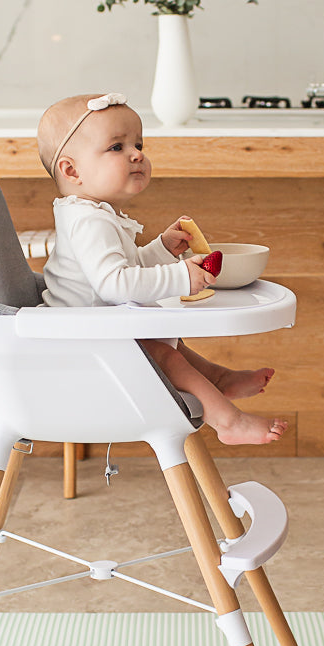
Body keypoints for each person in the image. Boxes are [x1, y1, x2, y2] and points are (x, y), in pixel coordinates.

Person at [36, 91, 288, 445]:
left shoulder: (94, 214)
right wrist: (181, 277)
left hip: (96, 334)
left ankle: (218, 380)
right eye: (117, 147)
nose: (137, 154)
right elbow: (114, 285)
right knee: (162, 355)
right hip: (80, 350)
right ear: (72, 170)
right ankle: (228, 422)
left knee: (168, 346)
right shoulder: (89, 221)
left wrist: (161, 250)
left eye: (138, 144)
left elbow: (128, 269)